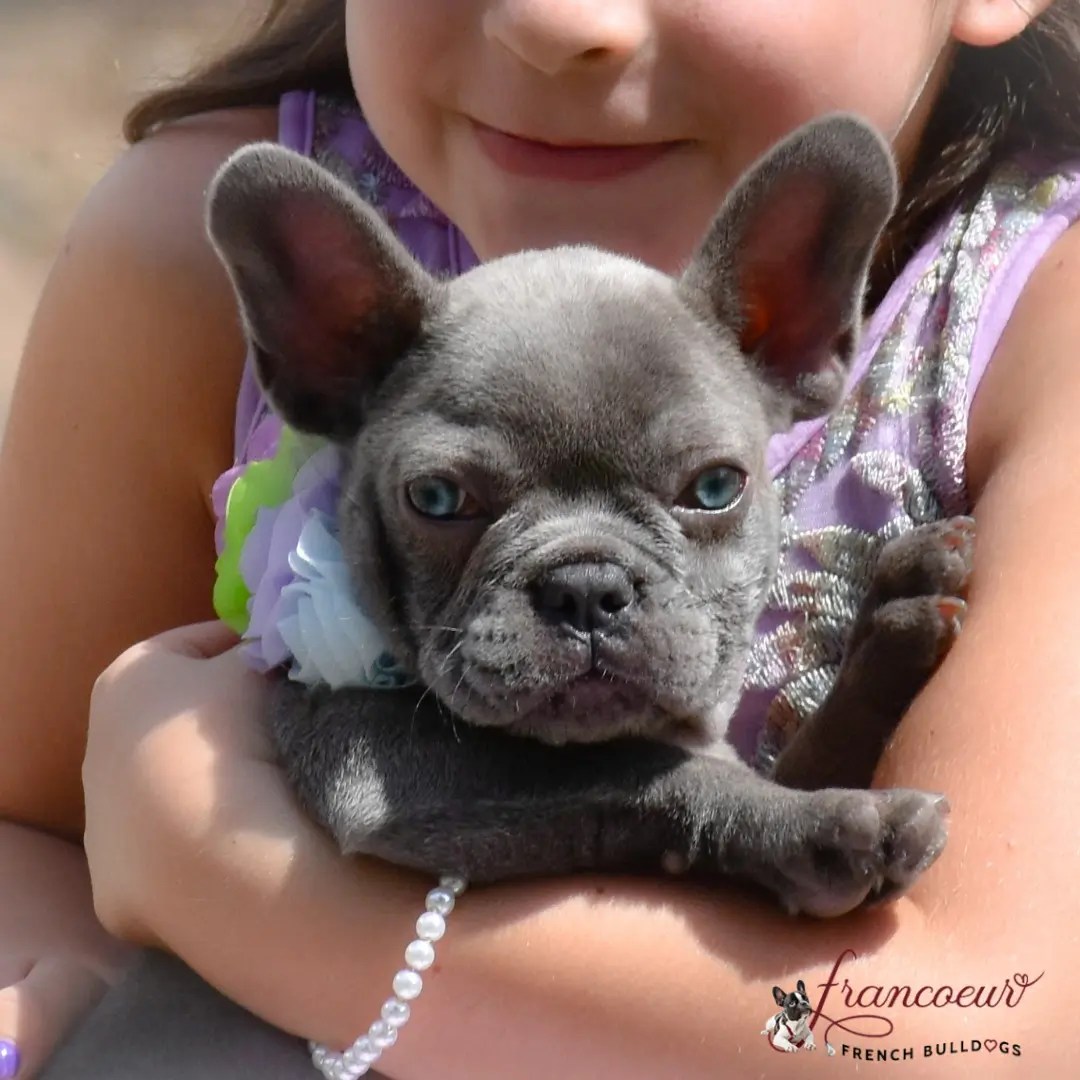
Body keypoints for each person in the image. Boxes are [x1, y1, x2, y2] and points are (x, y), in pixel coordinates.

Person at [2, 0, 1079, 1076]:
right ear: (322, 352)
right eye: (446, 504)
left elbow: (979, 1042)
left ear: (792, 326)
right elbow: (26, 836)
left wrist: (215, 866)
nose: (556, 19)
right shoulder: (169, 248)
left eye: (705, 489)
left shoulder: (1044, 323)